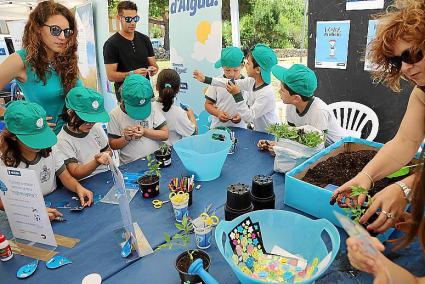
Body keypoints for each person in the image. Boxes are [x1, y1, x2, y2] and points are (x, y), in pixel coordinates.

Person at [332, 0, 425, 282]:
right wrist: (366, 176)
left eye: (415, 54)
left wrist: (408, 188)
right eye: (399, 61)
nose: (407, 68)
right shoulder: (422, 93)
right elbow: (405, 142)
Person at [0, 101, 93, 221]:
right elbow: (2, 202)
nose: (39, 143)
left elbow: (66, 177)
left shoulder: (50, 148)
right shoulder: (3, 161)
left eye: (41, 135)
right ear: (13, 137)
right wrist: (31, 211)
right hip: (22, 214)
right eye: (33, 138)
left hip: (53, 203)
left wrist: (78, 188)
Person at [0, 0, 83, 134]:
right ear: (38, 28)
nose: (63, 37)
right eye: (55, 30)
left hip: (72, 139)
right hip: (42, 143)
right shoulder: (21, 60)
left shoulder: (67, 59)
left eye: (67, 32)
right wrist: (22, 118)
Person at [257, 64, 347, 152]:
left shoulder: (318, 112)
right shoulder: (291, 106)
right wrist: (275, 144)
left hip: (335, 150)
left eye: (282, 90)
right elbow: (293, 137)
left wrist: (284, 151)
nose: (279, 91)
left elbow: (317, 149)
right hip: (309, 147)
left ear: (296, 98)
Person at [193, 43, 279, 132]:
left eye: (248, 63)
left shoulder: (265, 93)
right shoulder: (252, 82)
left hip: (269, 133)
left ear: (257, 69)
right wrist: (205, 79)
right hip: (259, 132)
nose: (245, 65)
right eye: (227, 70)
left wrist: (237, 95)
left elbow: (248, 117)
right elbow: (229, 83)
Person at [103, 1, 159, 101]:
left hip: (146, 93)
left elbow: (154, 65)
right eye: (128, 19)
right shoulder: (111, 44)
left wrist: (153, 69)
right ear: (119, 18)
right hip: (126, 97)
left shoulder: (145, 39)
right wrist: (132, 74)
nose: (133, 23)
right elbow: (111, 76)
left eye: (135, 19)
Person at [107, 74, 168, 165]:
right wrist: (126, 138)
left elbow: (165, 134)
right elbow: (113, 144)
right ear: (123, 98)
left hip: (155, 160)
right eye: (135, 109)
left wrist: (145, 132)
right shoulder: (115, 115)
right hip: (130, 165)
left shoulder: (152, 107)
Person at [56, 87, 112, 180]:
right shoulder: (63, 140)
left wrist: (107, 155)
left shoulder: (96, 127)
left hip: (104, 175)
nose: (91, 124)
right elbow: (75, 172)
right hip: (85, 182)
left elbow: (108, 150)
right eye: (86, 119)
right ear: (70, 113)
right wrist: (96, 162)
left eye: (94, 119)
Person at [204, 46, 249, 129]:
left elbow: (250, 106)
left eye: (235, 70)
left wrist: (241, 116)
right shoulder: (216, 82)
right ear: (222, 67)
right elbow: (208, 104)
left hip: (240, 128)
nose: (231, 74)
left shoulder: (247, 84)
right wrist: (218, 113)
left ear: (242, 66)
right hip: (218, 128)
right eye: (227, 70)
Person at [152, 69, 197, 145]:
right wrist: (191, 115)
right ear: (178, 89)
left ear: (156, 87)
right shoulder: (178, 113)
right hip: (171, 153)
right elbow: (193, 132)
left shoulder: (150, 107)